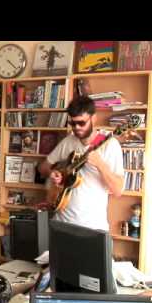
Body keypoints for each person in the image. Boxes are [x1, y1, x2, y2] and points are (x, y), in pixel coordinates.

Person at [38, 96, 124, 231]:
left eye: (81, 123)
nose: (76, 128)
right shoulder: (68, 141)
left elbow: (118, 190)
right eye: (73, 124)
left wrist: (100, 164)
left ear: (93, 118)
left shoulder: (110, 145)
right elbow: (43, 167)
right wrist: (53, 173)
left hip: (93, 227)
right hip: (61, 223)